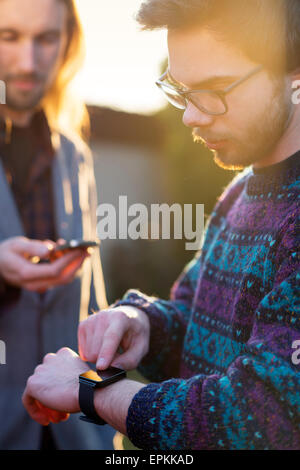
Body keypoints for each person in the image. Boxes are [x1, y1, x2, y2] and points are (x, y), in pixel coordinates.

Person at [22, 0, 300, 450]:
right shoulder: (241, 192)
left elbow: (256, 417)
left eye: (214, 89)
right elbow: (195, 321)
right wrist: (143, 324)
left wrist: (92, 392)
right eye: (180, 89)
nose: (190, 116)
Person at [0, 0, 115, 450]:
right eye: (8, 36)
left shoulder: (74, 155)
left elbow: (92, 301)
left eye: (46, 39)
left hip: (78, 434)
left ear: (68, 43)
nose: (28, 62)